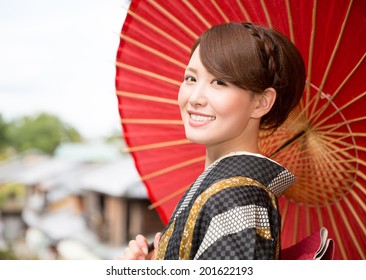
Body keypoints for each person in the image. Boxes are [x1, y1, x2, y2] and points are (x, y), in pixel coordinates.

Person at [118, 22, 306, 260]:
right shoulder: (226, 190)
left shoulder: (236, 200)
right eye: (190, 78)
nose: (195, 97)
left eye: (219, 82)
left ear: (261, 103)